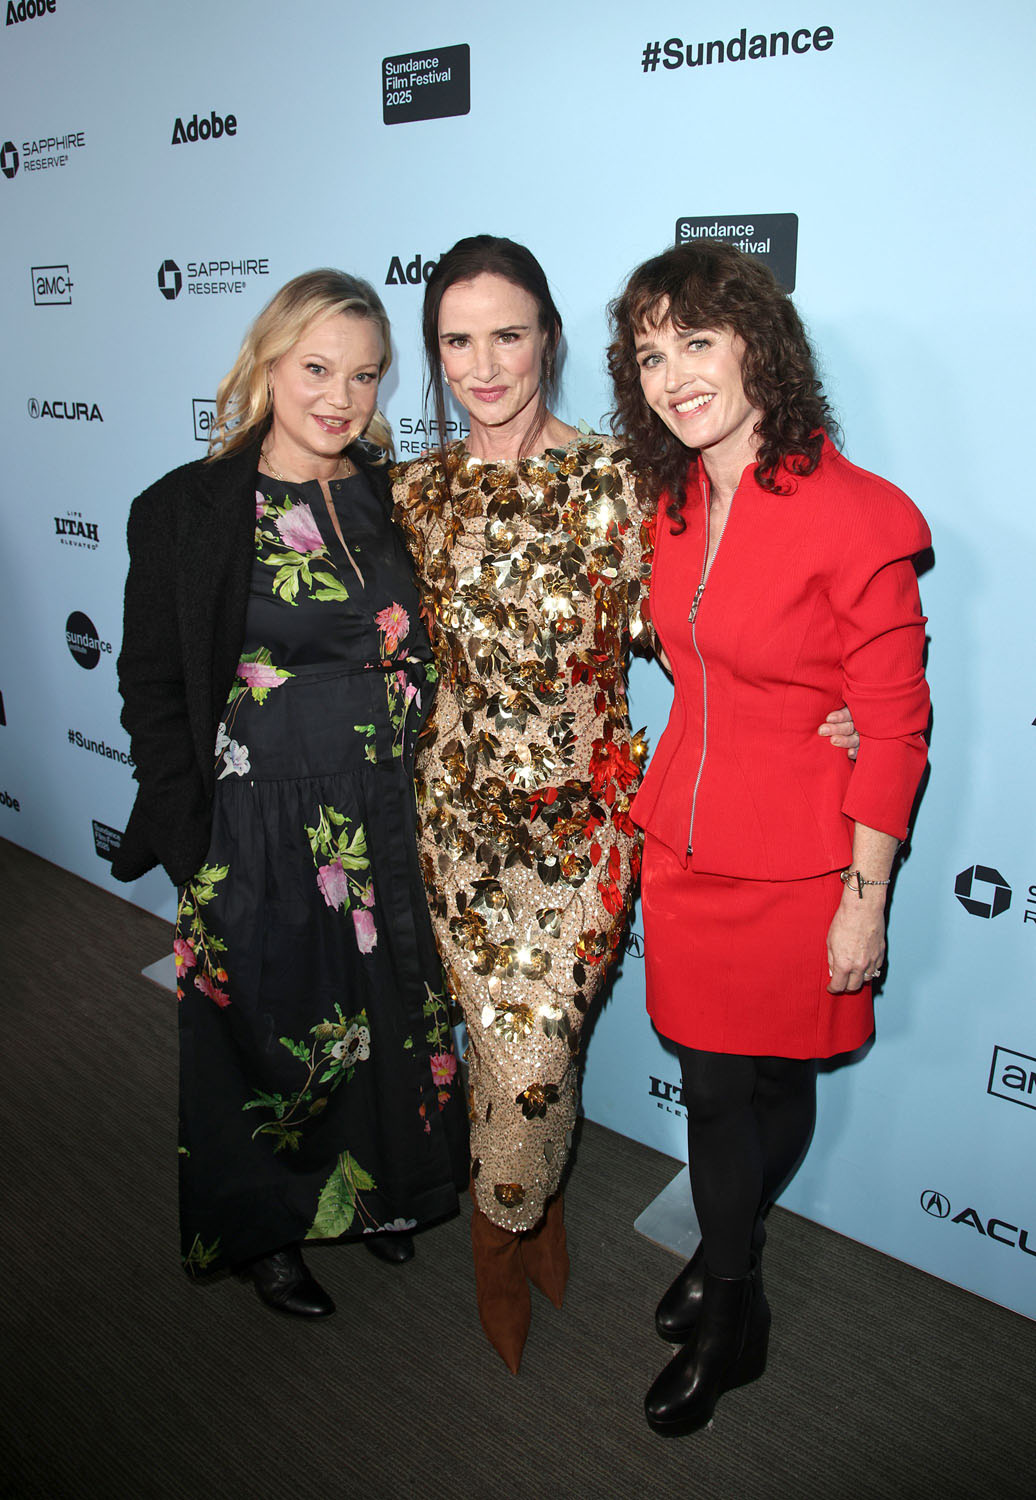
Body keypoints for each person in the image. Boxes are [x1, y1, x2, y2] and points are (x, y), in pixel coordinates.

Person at [391, 234, 858, 1373]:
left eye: (507, 335)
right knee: (497, 1042)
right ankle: (518, 1231)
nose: (483, 366)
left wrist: (833, 701)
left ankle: (513, 1215)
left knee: (536, 1051)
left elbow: (720, 621)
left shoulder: (625, 484)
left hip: (586, 831)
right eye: (457, 341)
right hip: (455, 825)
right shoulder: (409, 491)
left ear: (548, 340)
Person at [607, 240, 931, 1435]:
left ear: (760, 347)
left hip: (802, 858)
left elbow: (894, 727)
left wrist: (866, 897)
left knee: (772, 1076)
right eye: (650, 354)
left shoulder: (858, 516)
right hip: (685, 844)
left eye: (697, 341)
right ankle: (731, 1270)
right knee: (710, 1087)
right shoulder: (669, 501)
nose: (674, 375)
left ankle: (729, 1300)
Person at [114, 270, 468, 1317]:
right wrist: (192, 843)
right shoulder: (185, 509)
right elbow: (153, 687)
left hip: (384, 811)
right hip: (256, 821)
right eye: (316, 367)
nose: (340, 397)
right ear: (268, 363)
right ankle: (269, 1232)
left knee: (383, 1018)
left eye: (363, 375)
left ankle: (375, 1194)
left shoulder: (398, 496)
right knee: (267, 1035)